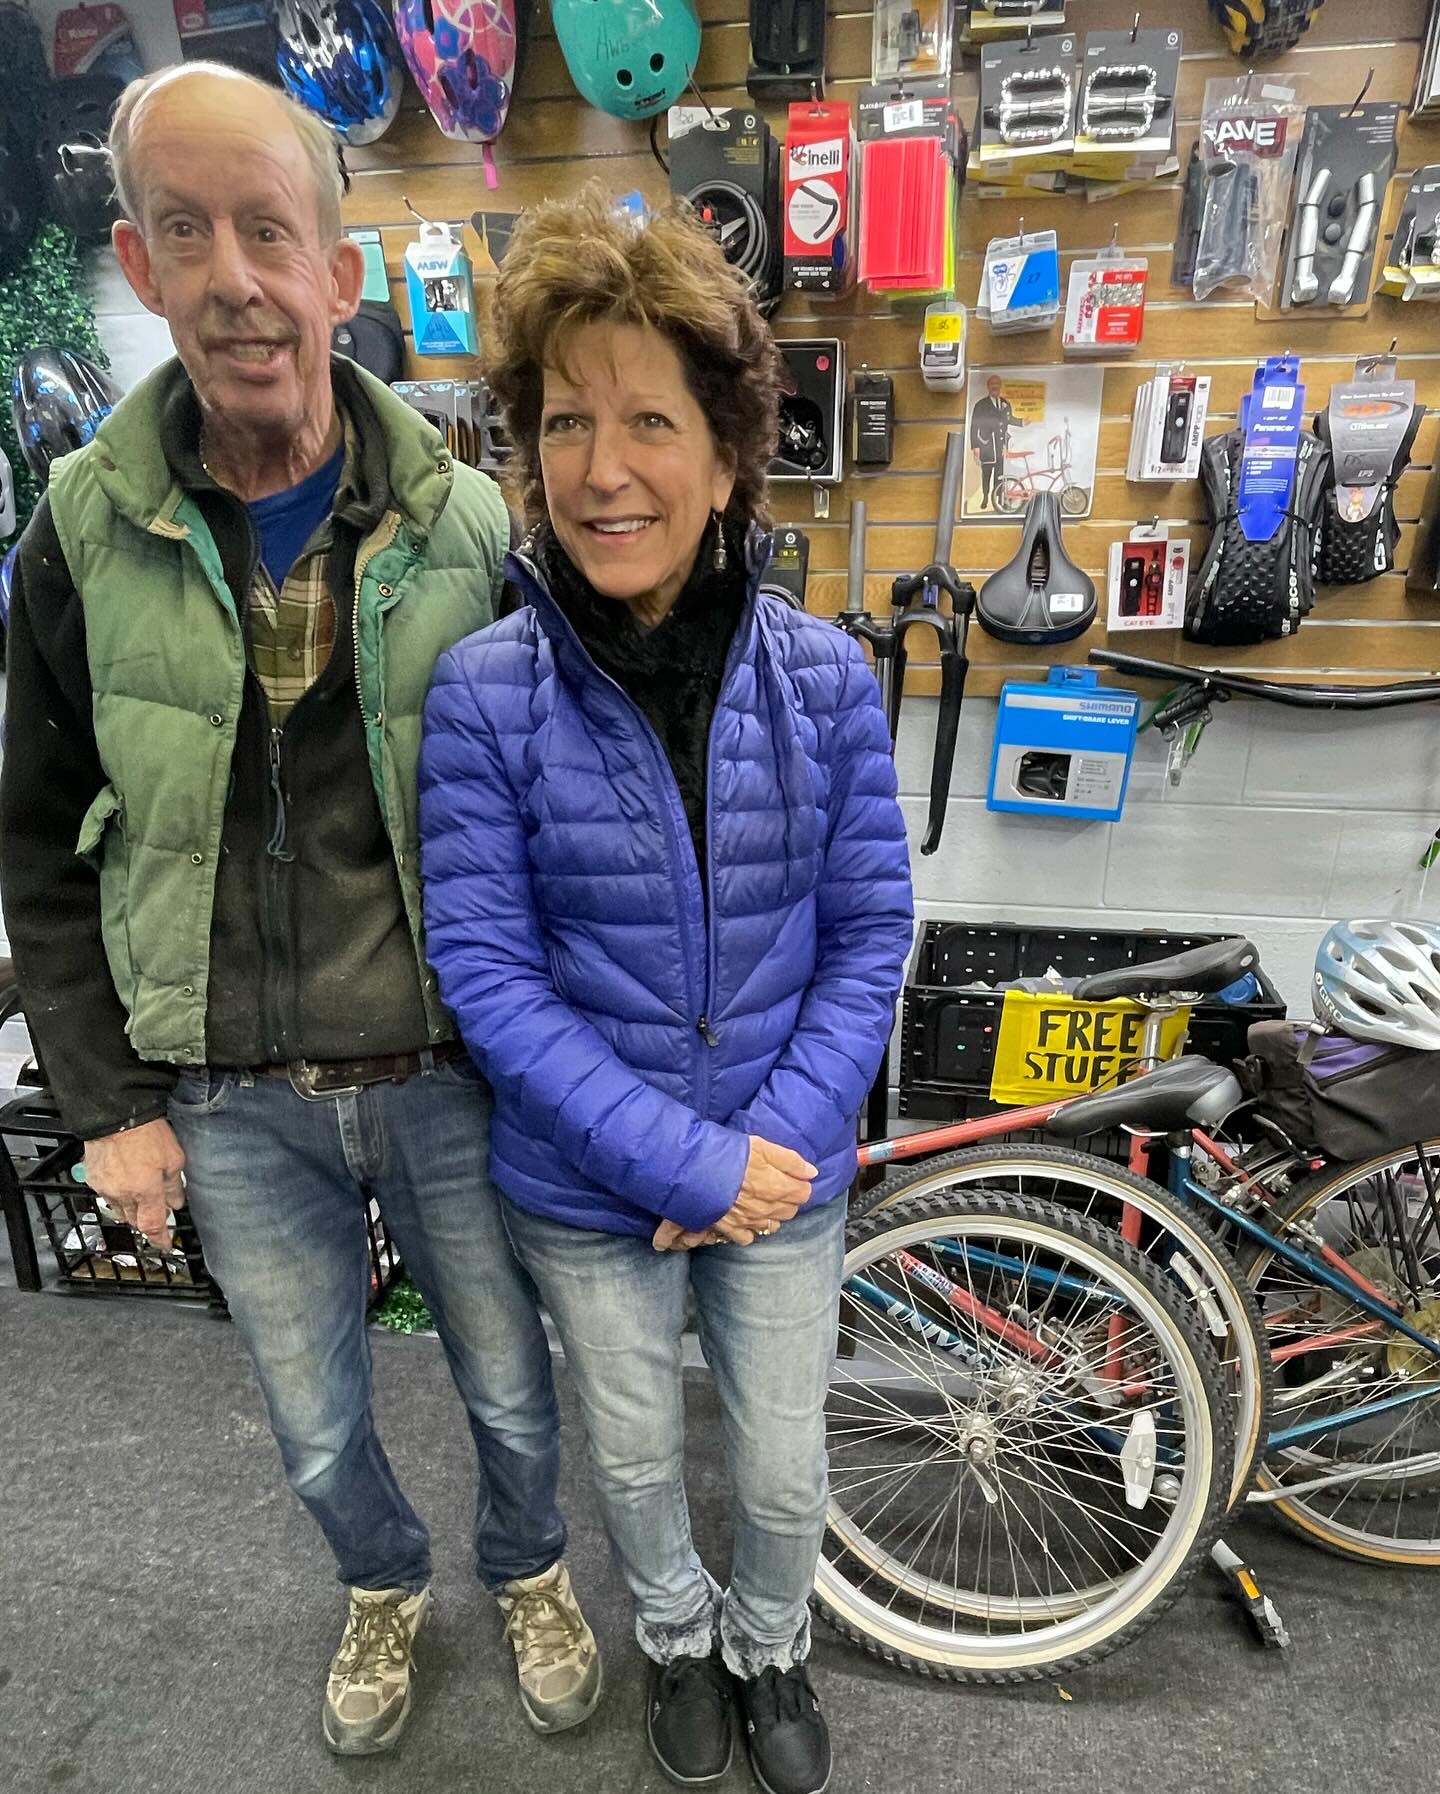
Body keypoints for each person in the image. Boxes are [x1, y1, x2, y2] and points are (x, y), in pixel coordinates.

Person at [0, 63, 599, 1758]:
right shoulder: (79, 534)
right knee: (318, 1419)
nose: (232, 278)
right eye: (185, 232)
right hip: (228, 1093)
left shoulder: (468, 521)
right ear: (137, 261)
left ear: (339, 271)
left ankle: (531, 1567)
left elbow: (557, 812)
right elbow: (37, 840)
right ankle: (382, 1578)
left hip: (445, 1067)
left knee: (512, 1385)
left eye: (268, 231)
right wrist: (107, 1102)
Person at [418, 188, 914, 1794]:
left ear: (724, 454)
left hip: (783, 1170)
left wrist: (765, 1150)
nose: (601, 467)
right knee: (633, 1462)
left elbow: (870, 931)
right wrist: (681, 1161)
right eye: (565, 422)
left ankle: (770, 1641)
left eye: (648, 419)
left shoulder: (825, 678)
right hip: (589, 1188)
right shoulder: (484, 694)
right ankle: (682, 1637)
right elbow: (489, 974)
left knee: (778, 1465)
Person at [969, 372, 1014, 511]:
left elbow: (1010, 419)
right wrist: (975, 447)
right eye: (992, 384)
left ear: (1000, 386)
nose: (995, 387)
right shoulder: (980, 405)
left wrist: (1023, 422)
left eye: (997, 384)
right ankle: (985, 497)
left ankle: (999, 499)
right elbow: (974, 426)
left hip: (1001, 447)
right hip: (987, 446)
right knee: (986, 475)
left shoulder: (1005, 403)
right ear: (988, 386)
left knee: (1000, 476)